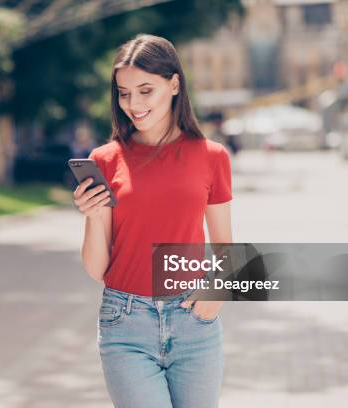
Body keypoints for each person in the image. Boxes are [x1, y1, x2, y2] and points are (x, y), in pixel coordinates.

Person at [72, 34, 232, 408]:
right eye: (124, 93)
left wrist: (216, 296)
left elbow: (226, 246)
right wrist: (94, 217)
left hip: (193, 321)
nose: (134, 104)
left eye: (146, 90)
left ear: (174, 84)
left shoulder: (212, 157)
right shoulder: (105, 160)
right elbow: (98, 269)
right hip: (125, 323)